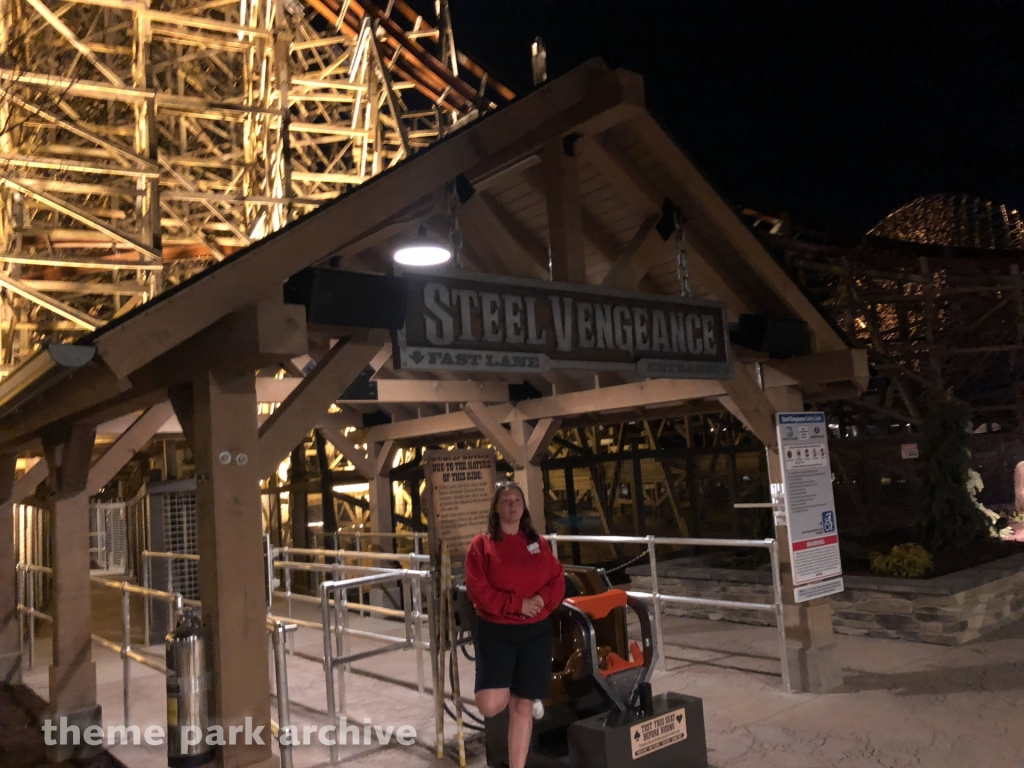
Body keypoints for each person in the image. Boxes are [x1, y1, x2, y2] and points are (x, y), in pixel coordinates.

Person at [465, 480, 565, 768]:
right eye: (506, 501)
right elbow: (478, 590)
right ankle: (510, 684)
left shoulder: (538, 543)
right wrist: (517, 605)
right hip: (497, 631)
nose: (512, 505)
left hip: (536, 632)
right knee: (490, 704)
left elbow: (557, 578)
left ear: (524, 507)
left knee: (523, 705)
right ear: (496, 507)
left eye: (517, 500)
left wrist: (541, 600)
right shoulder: (482, 545)